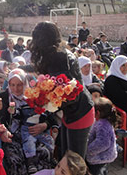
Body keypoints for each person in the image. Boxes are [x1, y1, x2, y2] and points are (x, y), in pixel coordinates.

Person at [30, 22, 94, 159]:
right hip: (73, 111)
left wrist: (48, 104)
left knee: (74, 161)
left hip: (79, 111)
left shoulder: (58, 57)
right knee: (65, 155)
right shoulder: (58, 53)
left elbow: (70, 91)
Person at [0, 68, 54, 174]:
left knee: (44, 152)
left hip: (32, 133)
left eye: (19, 85)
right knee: (15, 158)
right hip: (12, 137)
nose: (16, 89)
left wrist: (44, 125)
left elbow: (49, 117)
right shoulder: (3, 97)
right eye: (12, 85)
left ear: (25, 83)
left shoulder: (33, 96)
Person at [86, 97, 118, 175]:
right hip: (105, 155)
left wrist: (88, 150)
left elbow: (103, 143)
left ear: (98, 113)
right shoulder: (105, 121)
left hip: (99, 158)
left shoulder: (102, 125)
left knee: (97, 172)